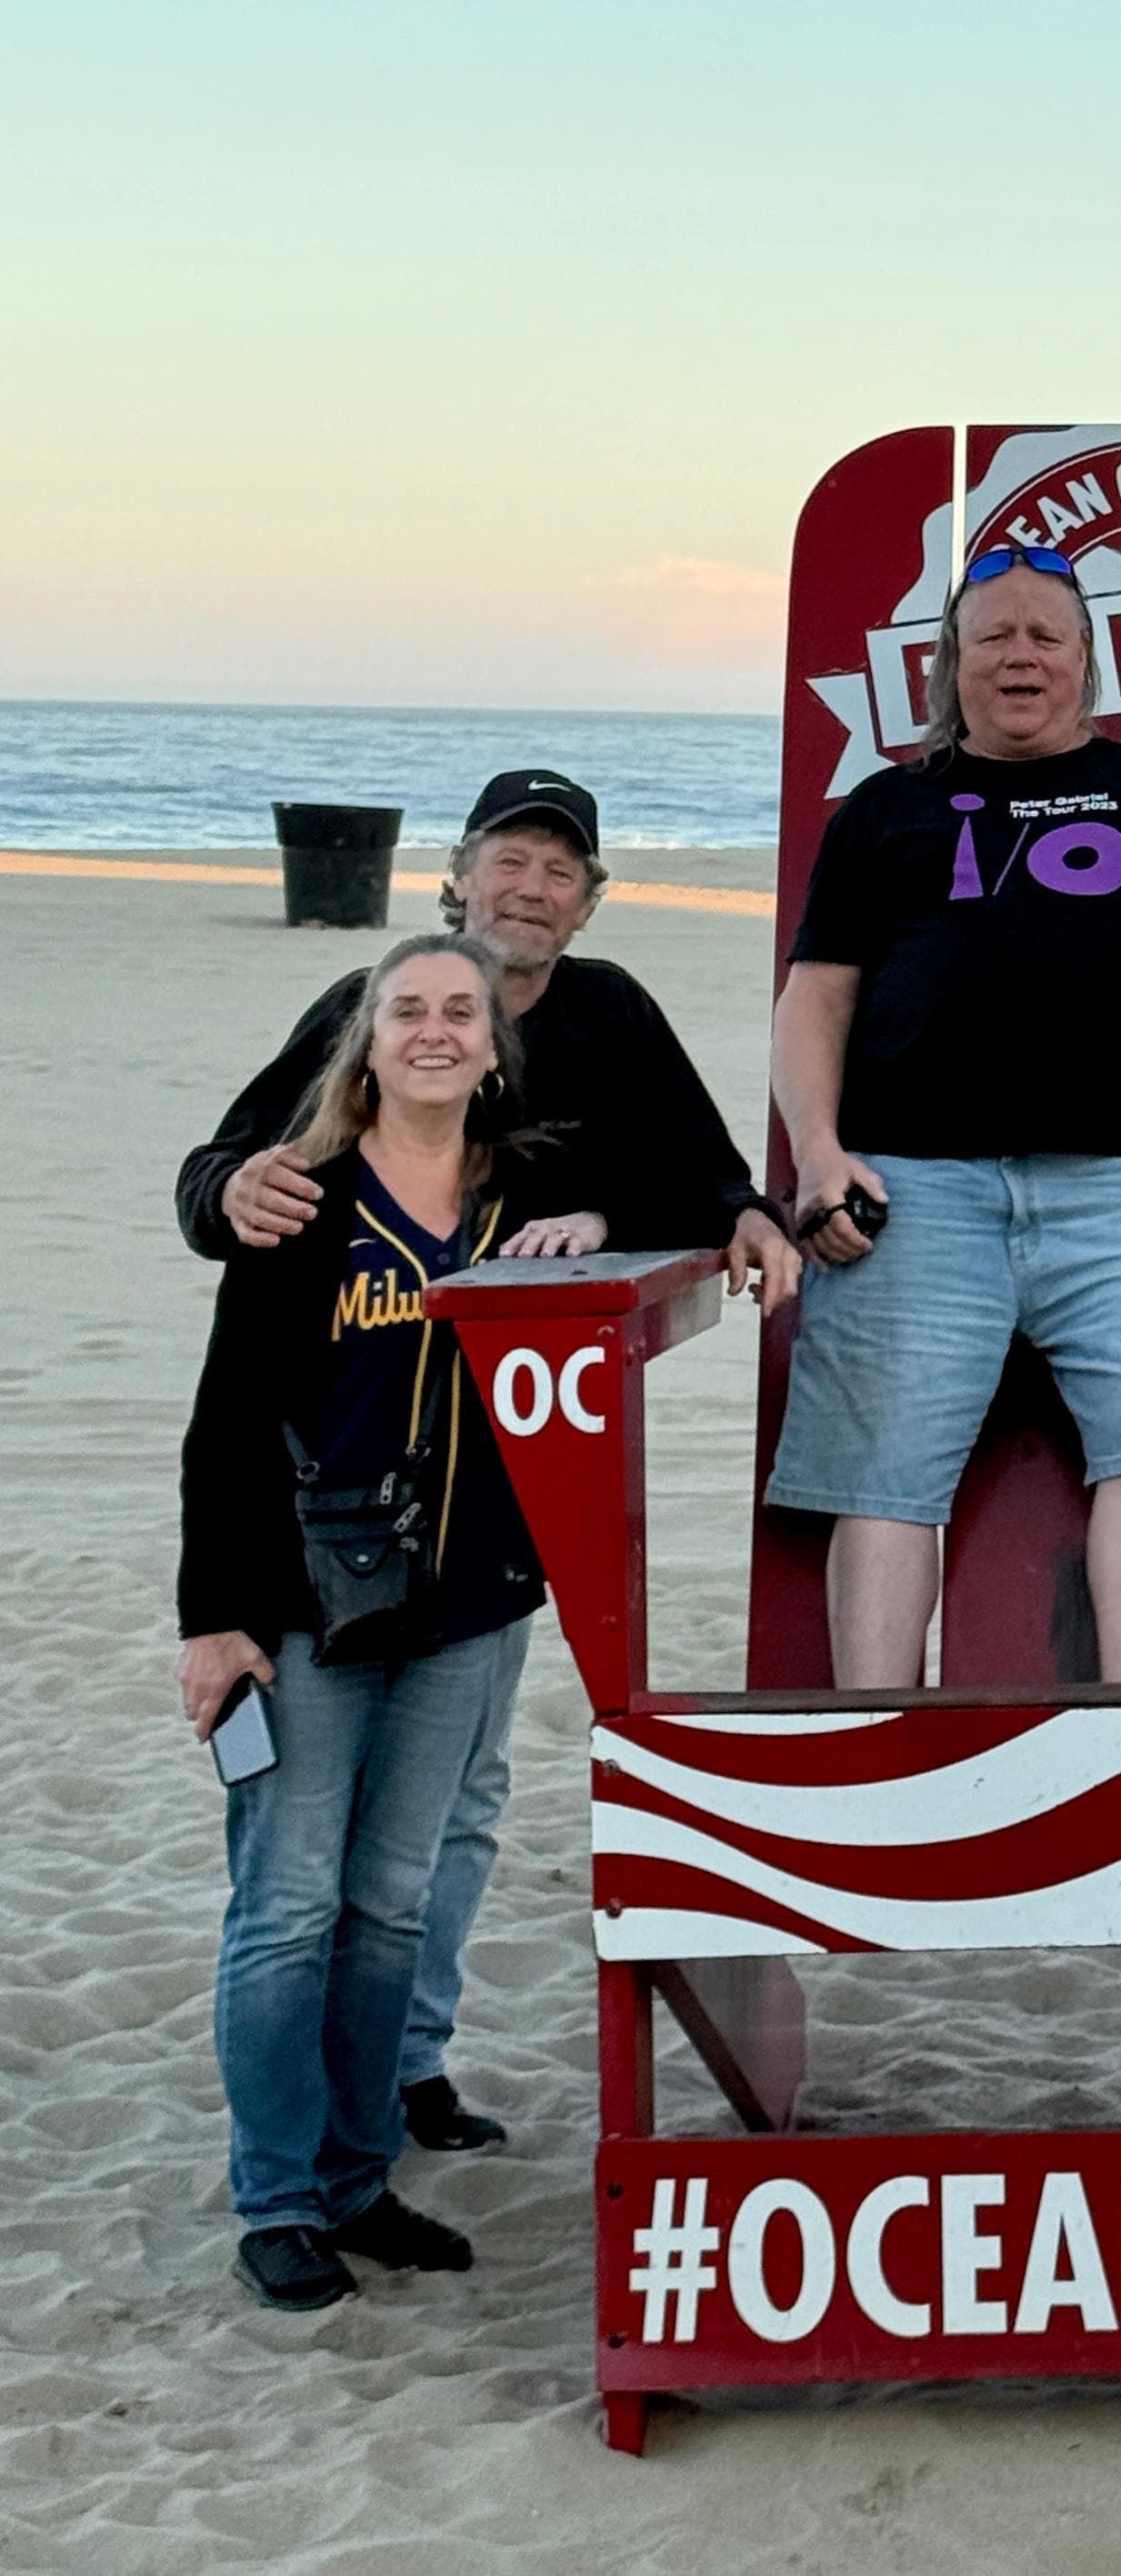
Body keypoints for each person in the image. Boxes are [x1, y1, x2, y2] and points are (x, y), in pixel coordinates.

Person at [175, 768, 799, 2153]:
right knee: (303, 1873)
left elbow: (698, 1173)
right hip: (325, 1522)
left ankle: (406, 2066)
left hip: (496, 1515)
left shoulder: (604, 1016)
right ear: (453, 878)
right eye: (505, 861)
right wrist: (224, 1190)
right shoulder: (365, 1022)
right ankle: (310, 2150)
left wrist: (641, 1208)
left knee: (450, 1817)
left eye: (557, 869)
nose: (529, 887)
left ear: (588, 900)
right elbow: (225, 1176)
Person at [765, 546, 1121, 1687]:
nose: (1018, 655)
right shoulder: (884, 809)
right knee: (884, 1477)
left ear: (1086, 665)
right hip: (914, 1184)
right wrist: (817, 1152)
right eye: (991, 636)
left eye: (1045, 635)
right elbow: (815, 998)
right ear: (951, 667)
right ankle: (878, 1738)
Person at [176, 934, 606, 2310]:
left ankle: (361, 2176)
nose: (432, 1029)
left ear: (494, 1044)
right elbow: (226, 1423)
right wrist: (214, 1621)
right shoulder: (306, 1200)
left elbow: (678, 1195)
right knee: (288, 1903)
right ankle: (281, 2196)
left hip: (465, 1605)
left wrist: (595, 1226)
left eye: (458, 1011)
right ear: (365, 1041)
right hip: (306, 1605)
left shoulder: (528, 1189)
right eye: (405, 1009)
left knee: (388, 1907)